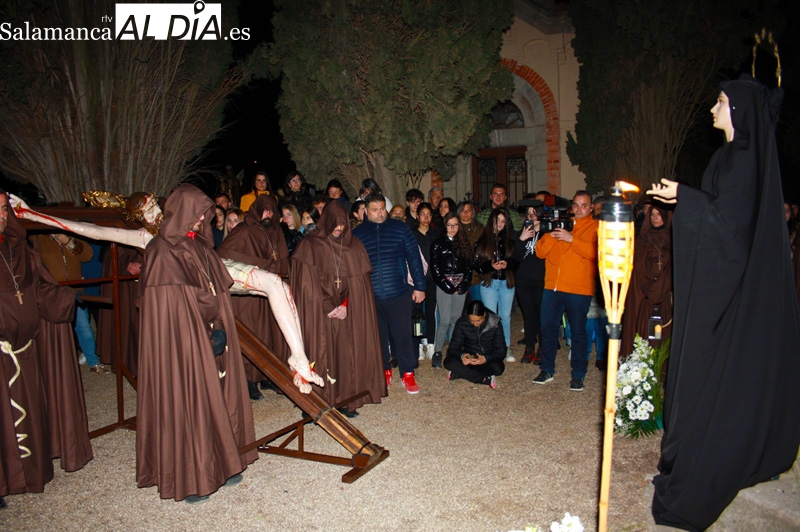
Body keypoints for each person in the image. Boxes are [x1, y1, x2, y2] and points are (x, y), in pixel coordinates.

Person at [646, 76, 800, 531]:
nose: (713, 108)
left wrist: (686, 199)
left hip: (731, 287)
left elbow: (732, 227)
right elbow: (718, 212)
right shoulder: (727, 155)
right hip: (717, 277)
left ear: (740, 111)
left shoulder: (748, 157)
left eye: (720, 101)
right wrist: (689, 200)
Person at [9, 192, 322, 393]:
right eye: (148, 210)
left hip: (214, 268)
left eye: (155, 205)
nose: (155, 212)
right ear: (141, 217)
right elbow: (90, 231)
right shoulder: (147, 238)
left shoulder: (187, 221)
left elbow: (208, 218)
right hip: (190, 290)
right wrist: (33, 215)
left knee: (276, 284)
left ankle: (298, 356)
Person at [135, 184, 257, 502]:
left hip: (210, 337)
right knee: (189, 401)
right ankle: (191, 477)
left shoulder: (201, 248)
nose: (200, 222)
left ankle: (224, 462)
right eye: (196, 215)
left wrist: (220, 328)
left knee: (217, 400)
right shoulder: (161, 252)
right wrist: (202, 335)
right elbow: (172, 310)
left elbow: (216, 293)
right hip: (182, 347)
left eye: (204, 216)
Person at [0, 189, 93, 500]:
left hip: (24, 350)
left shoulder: (18, 249)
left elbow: (37, 286)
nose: (1, 217)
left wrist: (63, 297)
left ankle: (32, 471)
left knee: (31, 410)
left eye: (3, 210)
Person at [291, 201, 384, 417]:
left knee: (345, 355)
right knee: (318, 353)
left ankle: (344, 400)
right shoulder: (310, 246)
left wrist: (345, 305)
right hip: (319, 314)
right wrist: (327, 306)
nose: (339, 230)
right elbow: (305, 285)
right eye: (336, 226)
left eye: (343, 227)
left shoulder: (355, 247)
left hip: (345, 314)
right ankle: (314, 402)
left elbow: (360, 289)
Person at [217, 194, 291, 401]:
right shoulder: (244, 230)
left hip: (272, 290)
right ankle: (249, 381)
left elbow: (282, 258)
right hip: (249, 294)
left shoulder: (276, 232)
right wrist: (264, 266)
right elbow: (224, 253)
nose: (267, 214)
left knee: (269, 333)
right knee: (253, 331)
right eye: (264, 210)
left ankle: (265, 374)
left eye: (271, 211)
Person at [353, 193, 426, 394]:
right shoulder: (357, 234)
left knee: (402, 336)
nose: (380, 213)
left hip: (399, 292)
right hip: (371, 296)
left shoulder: (400, 228)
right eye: (375, 210)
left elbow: (414, 258)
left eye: (382, 208)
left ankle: (408, 373)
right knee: (378, 337)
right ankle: (384, 371)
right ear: (366, 212)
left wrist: (419, 286)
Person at [532, 191, 598, 392]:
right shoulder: (559, 222)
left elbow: (596, 252)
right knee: (547, 329)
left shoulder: (596, 228)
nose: (579, 209)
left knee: (577, 332)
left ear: (591, 208)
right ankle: (547, 369)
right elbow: (540, 252)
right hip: (552, 287)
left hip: (578, 289)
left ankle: (578, 374)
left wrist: (571, 239)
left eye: (584, 205)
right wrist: (553, 234)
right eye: (576, 205)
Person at [29, 233, 109, 374]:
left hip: (74, 291)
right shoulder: (38, 239)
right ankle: (60, 368)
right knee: (57, 331)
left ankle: (93, 362)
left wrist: (66, 240)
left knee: (83, 326)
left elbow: (87, 255)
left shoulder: (71, 236)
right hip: (53, 293)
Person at [620, 204, 673, 359]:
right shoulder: (641, 240)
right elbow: (634, 268)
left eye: (659, 214)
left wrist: (656, 291)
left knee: (657, 336)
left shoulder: (673, 241)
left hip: (661, 296)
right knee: (638, 331)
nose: (655, 217)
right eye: (652, 214)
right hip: (640, 295)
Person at [473, 208, 518, 362]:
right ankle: (490, 347)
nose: (499, 224)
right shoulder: (482, 240)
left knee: (505, 316)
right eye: (497, 220)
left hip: (507, 282)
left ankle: (506, 347)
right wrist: (490, 266)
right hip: (489, 282)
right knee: (491, 316)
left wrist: (507, 264)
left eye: (503, 221)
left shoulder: (510, 240)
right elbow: (476, 264)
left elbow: (517, 262)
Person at [430, 212, 472, 368]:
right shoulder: (438, 243)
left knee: (455, 319)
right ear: (445, 225)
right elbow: (435, 268)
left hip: (460, 282)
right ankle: (438, 351)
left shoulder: (464, 242)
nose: (453, 228)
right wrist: (447, 285)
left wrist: (463, 284)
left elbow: (468, 266)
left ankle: (453, 351)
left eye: (455, 225)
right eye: (450, 225)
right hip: (444, 283)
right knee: (445, 320)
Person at [443, 301, 505, 388]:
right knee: (448, 362)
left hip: (487, 359)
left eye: (478, 321)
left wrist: (485, 358)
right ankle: (485, 379)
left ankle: (460, 373)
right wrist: (462, 356)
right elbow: (453, 347)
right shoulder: (462, 322)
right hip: (469, 358)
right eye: (472, 321)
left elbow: (501, 351)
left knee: (499, 369)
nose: (475, 324)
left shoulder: (495, 323)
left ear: (484, 315)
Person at [513, 201, 545, 364]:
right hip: (524, 280)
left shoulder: (548, 233)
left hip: (542, 281)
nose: (532, 216)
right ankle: (530, 347)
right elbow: (515, 257)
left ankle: (542, 349)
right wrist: (521, 239)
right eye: (529, 213)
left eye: (535, 212)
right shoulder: (523, 232)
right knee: (529, 316)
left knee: (541, 316)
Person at [411, 203, 439, 354]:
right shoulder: (411, 235)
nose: (426, 218)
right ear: (417, 216)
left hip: (432, 279)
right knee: (416, 313)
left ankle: (431, 343)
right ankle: (419, 343)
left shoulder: (436, 235)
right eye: (423, 214)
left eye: (429, 214)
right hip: (416, 280)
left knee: (430, 311)